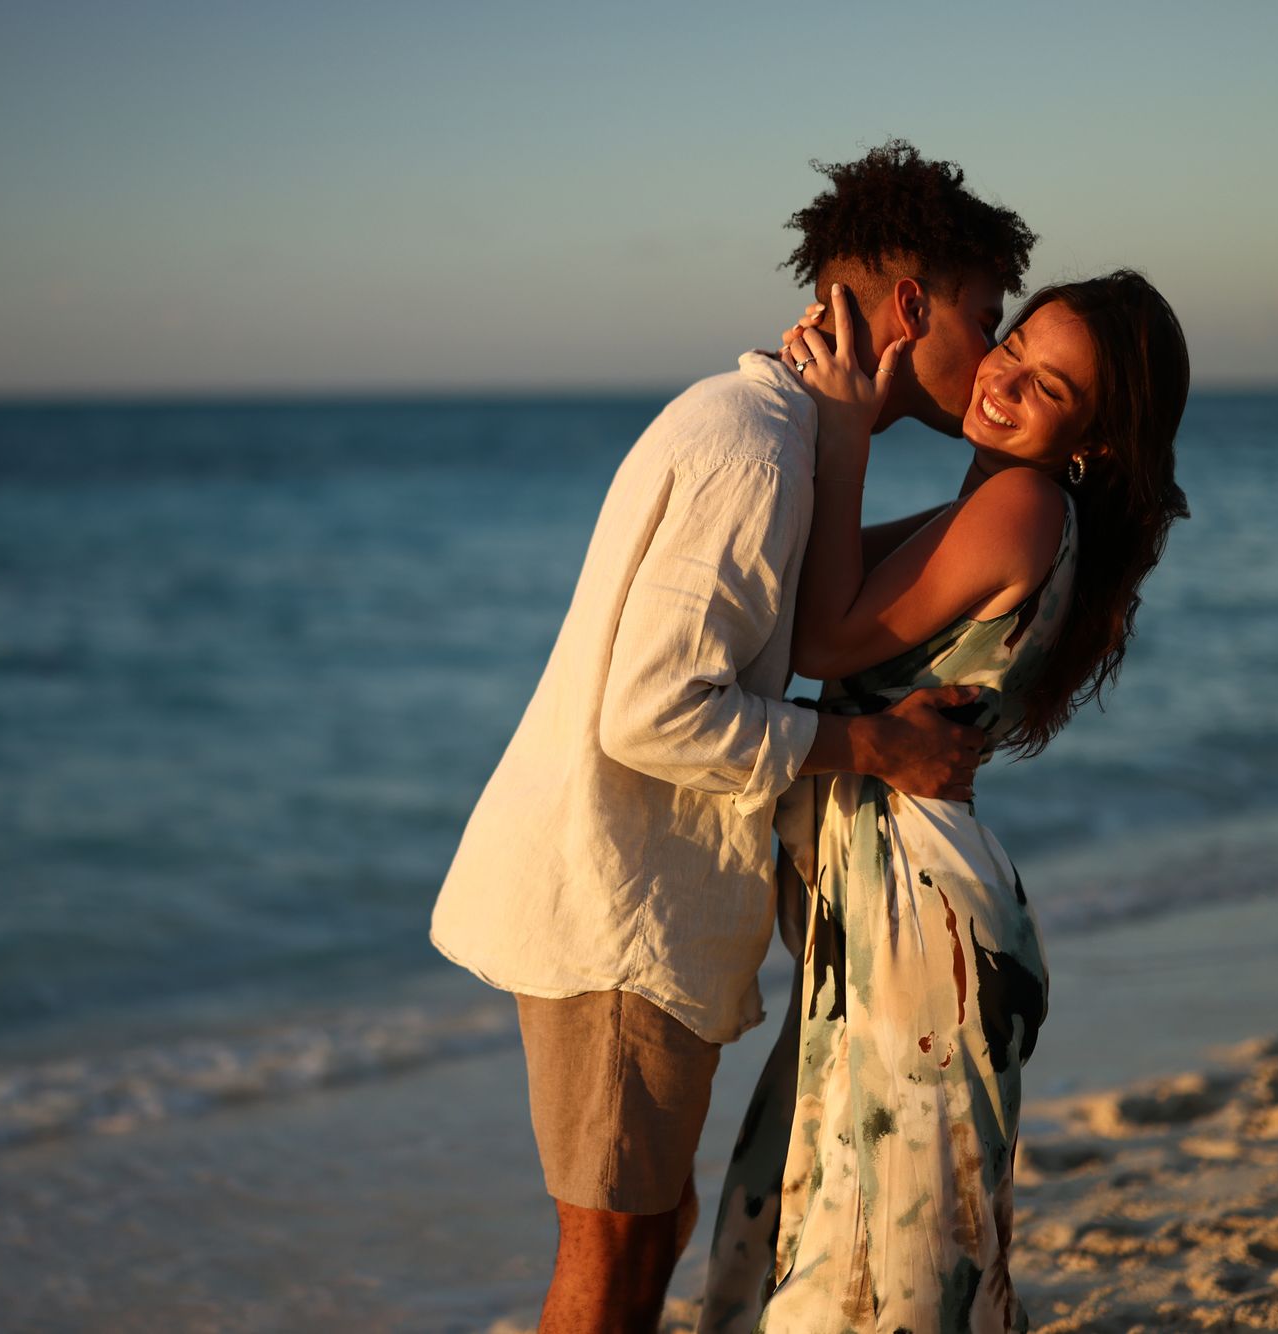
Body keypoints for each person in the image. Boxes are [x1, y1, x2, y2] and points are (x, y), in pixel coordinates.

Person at [429, 141, 1038, 1333]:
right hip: (615, 908)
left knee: (648, 1226)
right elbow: (654, 708)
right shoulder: (752, 444)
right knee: (609, 1254)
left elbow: (845, 603)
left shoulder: (790, 437)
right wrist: (871, 749)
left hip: (648, 905)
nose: (994, 349)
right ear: (909, 305)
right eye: (983, 313)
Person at [700, 269, 1190, 1333]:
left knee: (886, 1269)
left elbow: (823, 641)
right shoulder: (990, 504)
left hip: (918, 929)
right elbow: (791, 596)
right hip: (896, 909)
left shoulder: (1018, 504)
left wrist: (847, 433)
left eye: (1049, 388)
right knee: (854, 1241)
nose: (1004, 379)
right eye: (1012, 345)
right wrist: (826, 397)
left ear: (1091, 443)